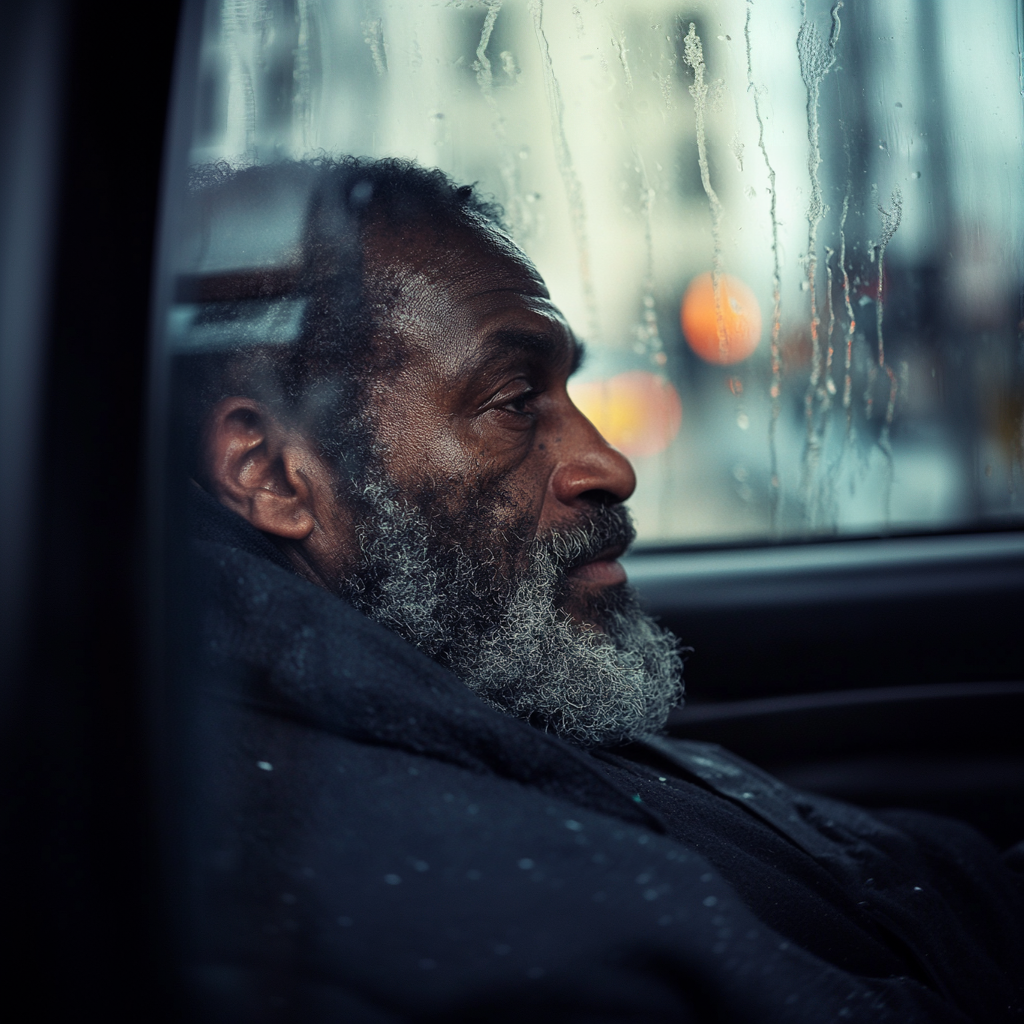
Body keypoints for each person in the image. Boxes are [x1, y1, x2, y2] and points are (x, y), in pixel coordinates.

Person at [172, 158, 1024, 1023]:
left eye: (566, 389)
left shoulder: (461, 694)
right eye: (512, 401)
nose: (610, 466)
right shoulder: (463, 909)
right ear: (274, 474)